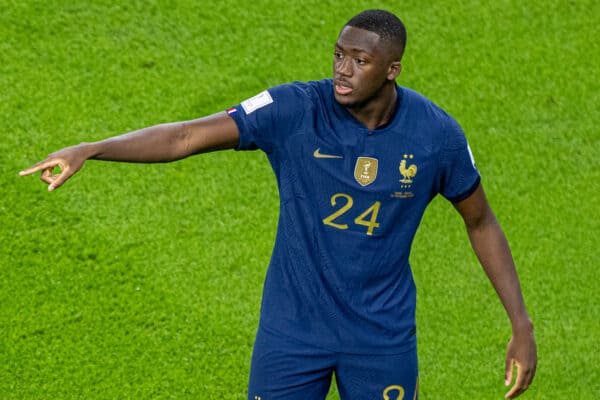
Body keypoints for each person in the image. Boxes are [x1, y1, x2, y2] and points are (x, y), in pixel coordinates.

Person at [20, 9, 537, 399]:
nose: (343, 69)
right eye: (339, 54)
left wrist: (520, 324)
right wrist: (93, 149)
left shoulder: (436, 136)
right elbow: (183, 137)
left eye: (360, 61)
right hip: (292, 333)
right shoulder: (294, 109)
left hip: (380, 336)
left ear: (392, 69)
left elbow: (481, 221)